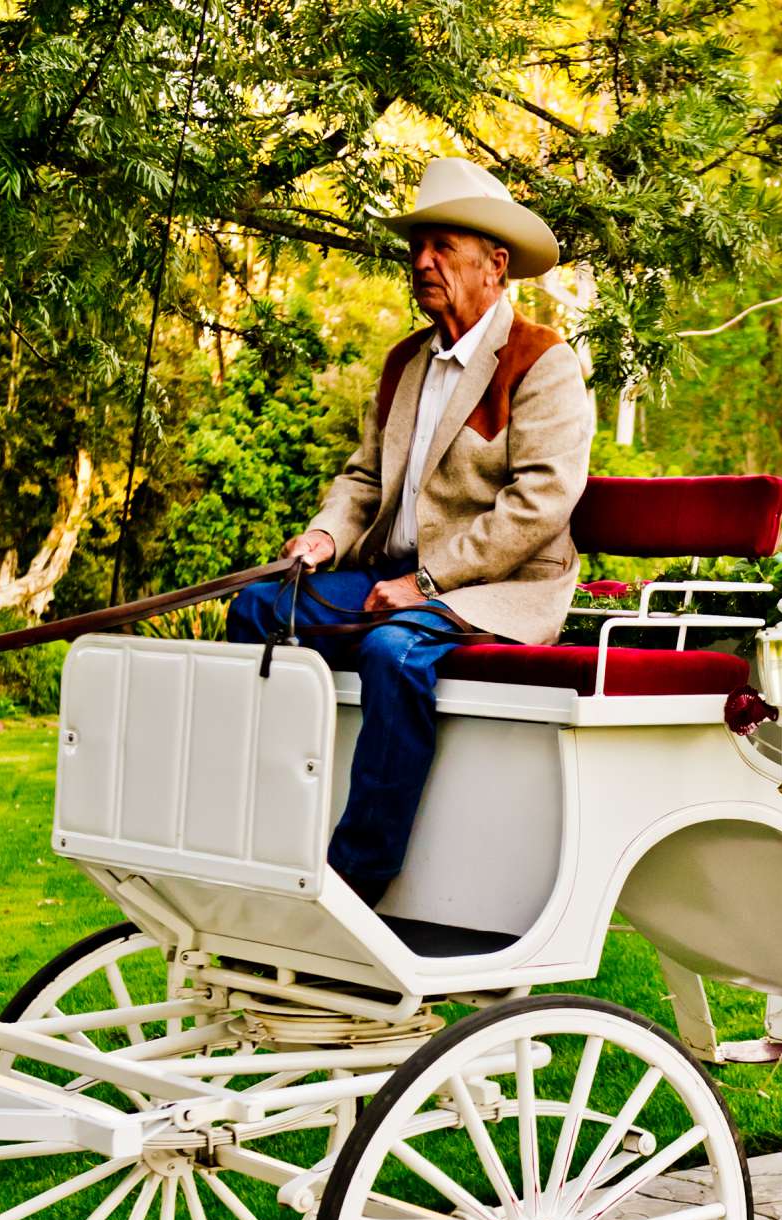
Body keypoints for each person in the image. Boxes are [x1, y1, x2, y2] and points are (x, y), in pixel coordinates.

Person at [226, 159, 593, 905]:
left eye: (442, 246)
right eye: (416, 248)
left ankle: (356, 876)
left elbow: (540, 504)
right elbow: (364, 480)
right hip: (391, 576)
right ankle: (264, 824)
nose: (422, 262)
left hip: (497, 588)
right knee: (257, 610)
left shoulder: (543, 362)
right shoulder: (404, 362)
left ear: (495, 266)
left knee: (392, 650)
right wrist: (324, 539)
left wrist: (424, 582)